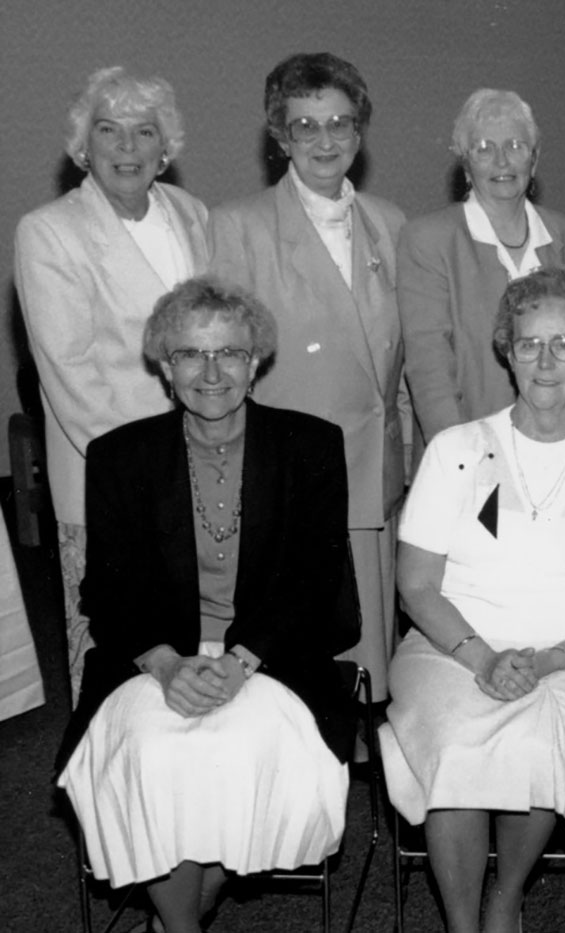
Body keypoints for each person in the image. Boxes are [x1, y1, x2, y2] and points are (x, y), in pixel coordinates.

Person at [56, 276, 355, 933]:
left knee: (243, 756)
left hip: (273, 655)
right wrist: (165, 664)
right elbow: (104, 591)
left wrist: (242, 659)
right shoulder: (119, 457)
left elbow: (313, 580)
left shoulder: (310, 445)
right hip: (155, 656)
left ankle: (182, 913)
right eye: (191, 354)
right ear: (166, 366)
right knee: (154, 756)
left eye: (230, 353)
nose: (211, 371)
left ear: (257, 362)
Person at [379, 269, 565, 933]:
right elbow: (416, 582)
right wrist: (480, 657)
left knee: (540, 739)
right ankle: (462, 921)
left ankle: (507, 891)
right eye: (529, 343)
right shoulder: (456, 450)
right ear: (506, 350)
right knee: (455, 739)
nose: (545, 360)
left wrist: (550, 658)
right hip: (452, 643)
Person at [210, 52, 407, 698]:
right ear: (280, 136)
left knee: (372, 655)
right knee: (303, 660)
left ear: (360, 130)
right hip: (294, 475)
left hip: (374, 468)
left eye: (341, 123)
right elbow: (227, 365)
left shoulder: (390, 222)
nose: (326, 140)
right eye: (306, 125)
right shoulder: (239, 227)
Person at [14, 66, 209, 700]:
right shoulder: (49, 232)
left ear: (165, 147)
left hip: (203, 462)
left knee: (195, 647)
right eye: (109, 130)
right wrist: (151, 474)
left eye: (144, 131)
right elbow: (70, 375)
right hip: (112, 476)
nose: (127, 147)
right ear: (83, 146)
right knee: (117, 655)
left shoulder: (190, 212)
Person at [399, 88, 565, 445]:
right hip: (467, 446)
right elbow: (430, 369)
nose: (502, 162)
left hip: (558, 446)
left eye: (515, 146)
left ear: (534, 160)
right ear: (465, 166)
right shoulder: (429, 239)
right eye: (483, 149)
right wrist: (461, 460)